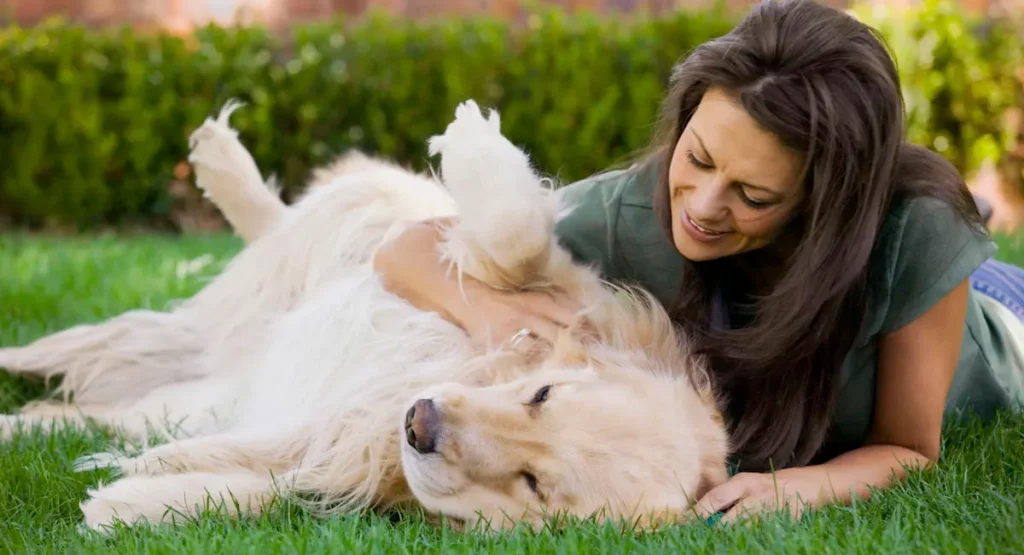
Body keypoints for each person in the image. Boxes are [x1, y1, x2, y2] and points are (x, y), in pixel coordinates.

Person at [373, 0, 1024, 523]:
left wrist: (810, 484)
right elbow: (404, 251)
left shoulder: (914, 230)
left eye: (753, 195)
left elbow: (909, 447)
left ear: (821, 209)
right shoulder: (630, 214)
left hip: (1000, 322)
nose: (703, 207)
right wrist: (496, 315)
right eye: (700, 158)